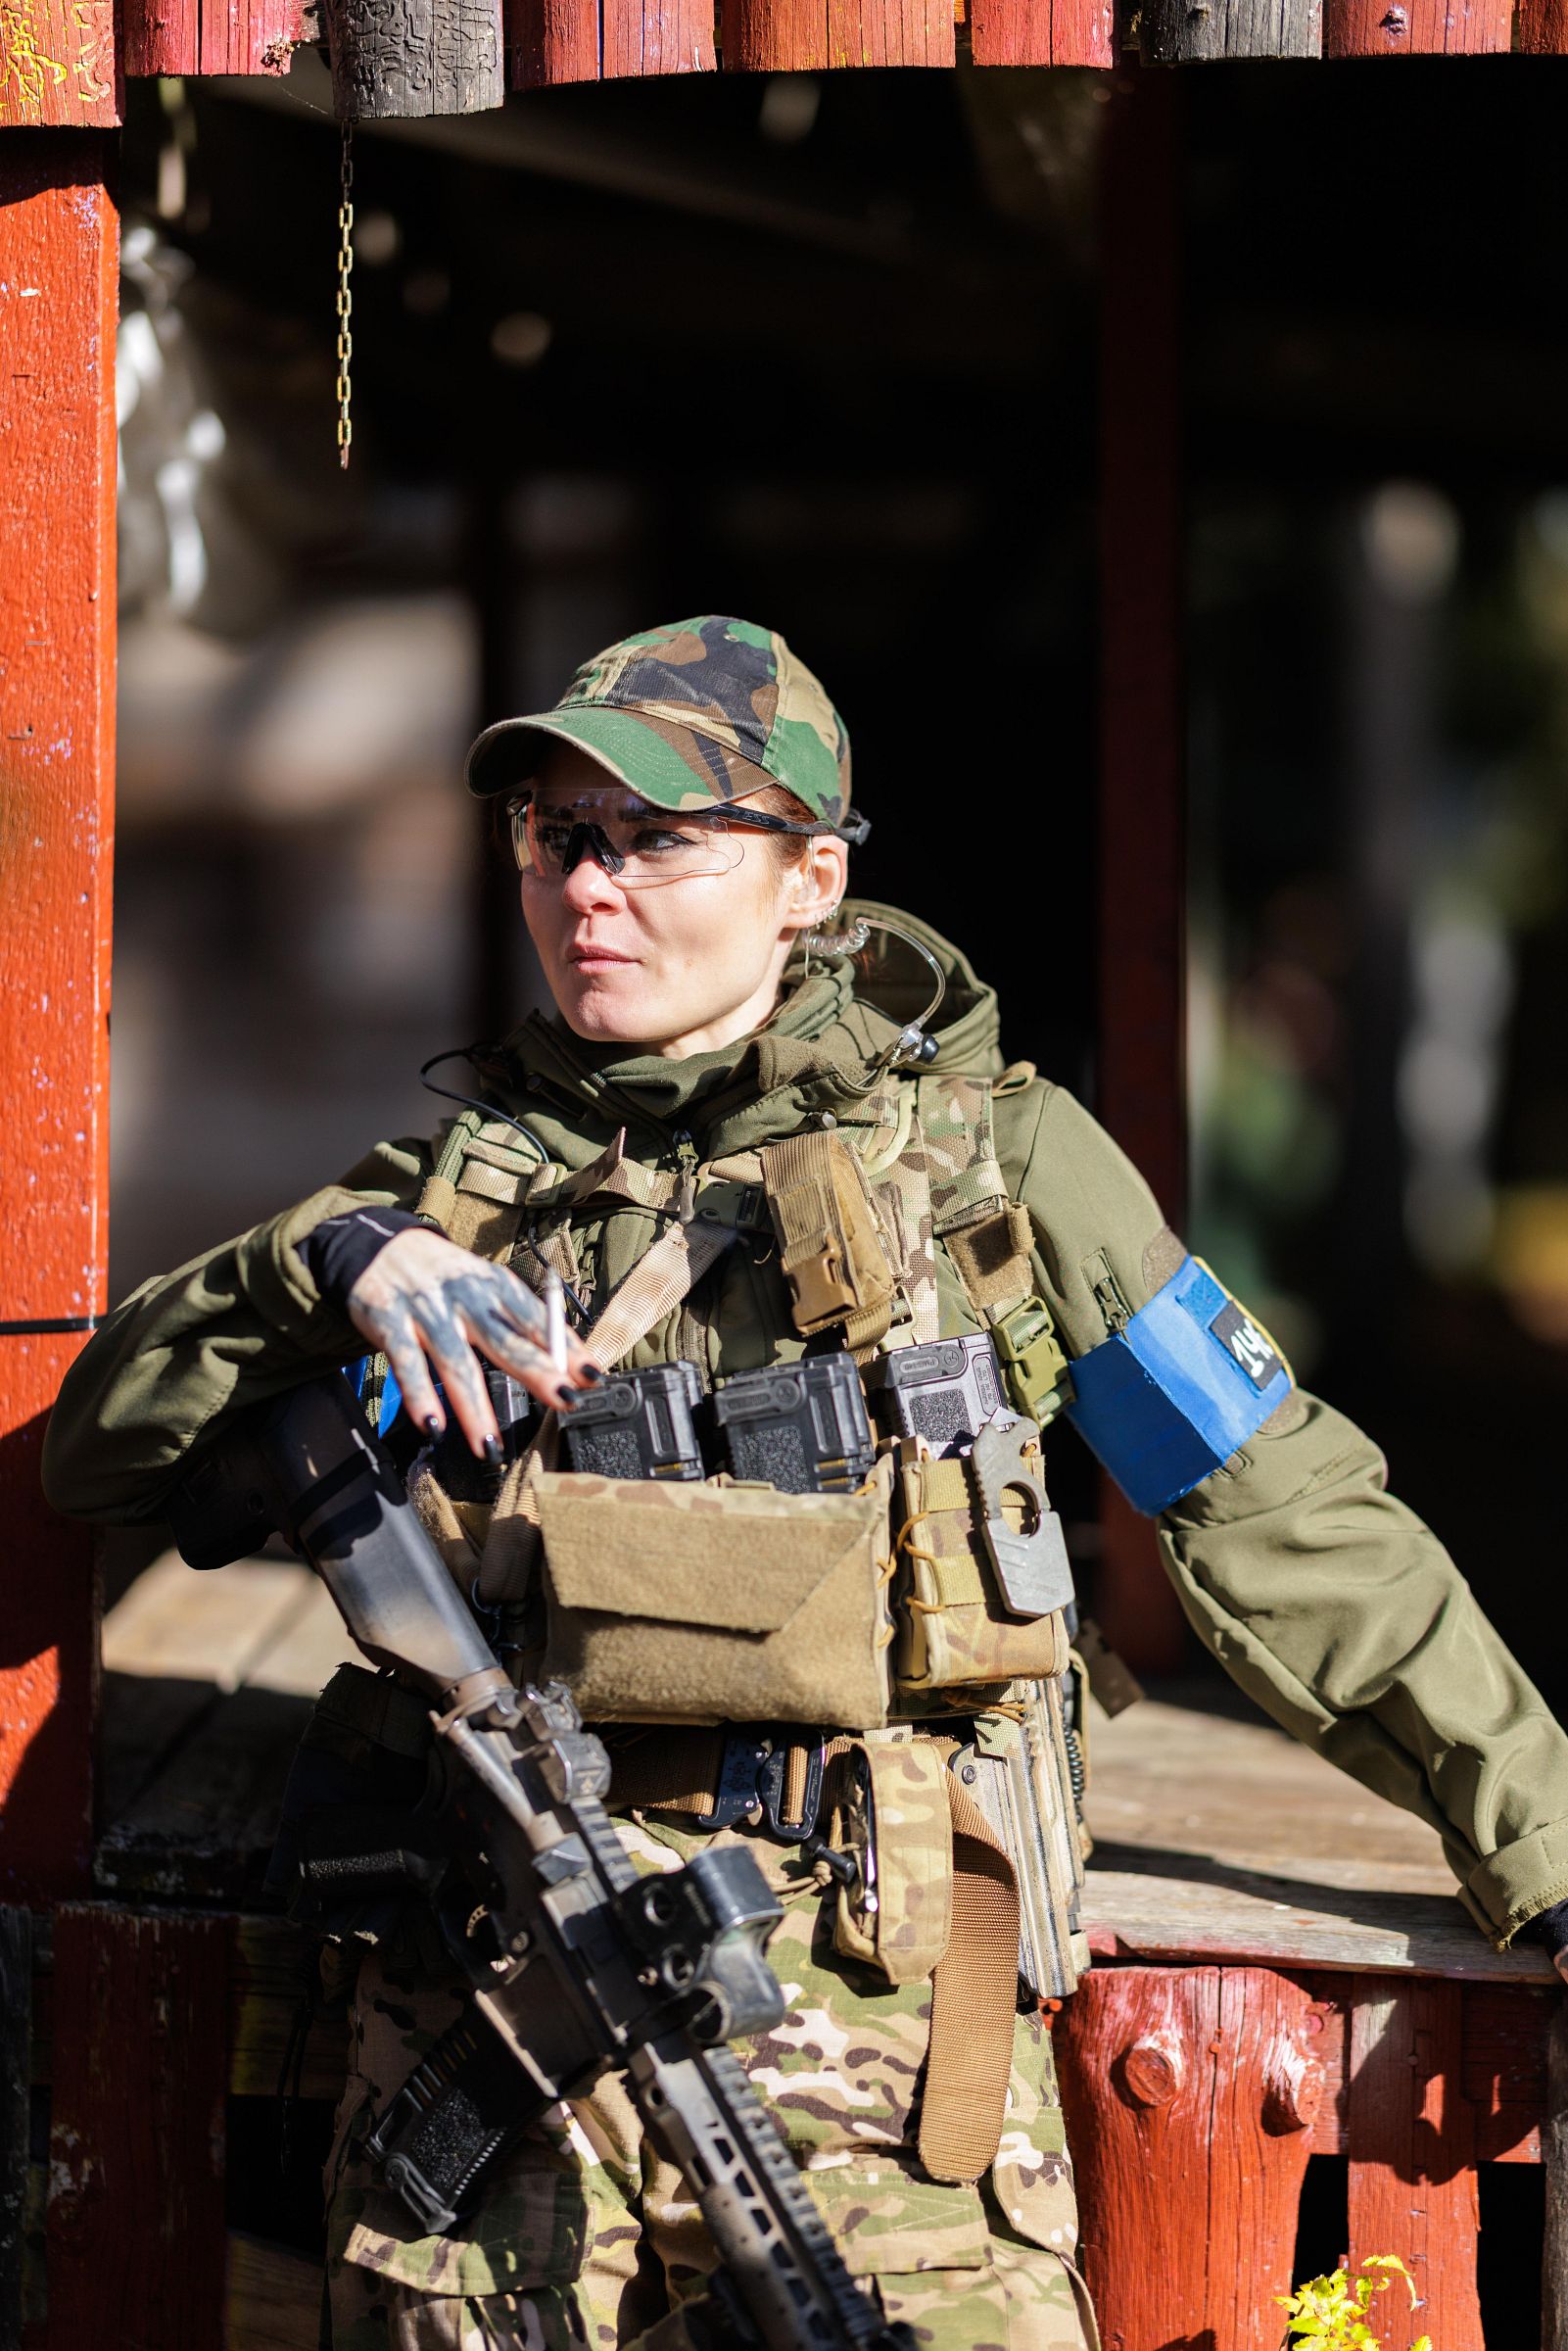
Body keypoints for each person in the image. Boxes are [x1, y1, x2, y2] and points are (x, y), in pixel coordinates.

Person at [43, 614, 1568, 2351]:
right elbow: (99, 1461)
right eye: (554, 835)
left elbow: (1281, 1518)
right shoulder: (451, 1202)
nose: (587, 886)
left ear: (810, 880)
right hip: (491, 1997)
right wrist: (325, 1260)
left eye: (655, 838)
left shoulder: (993, 1171)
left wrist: (1543, 1839)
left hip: (870, 2004)